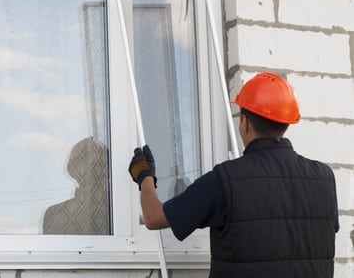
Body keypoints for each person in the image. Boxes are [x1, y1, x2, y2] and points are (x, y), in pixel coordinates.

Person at [129, 72, 339, 278]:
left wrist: (145, 177)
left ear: (245, 123)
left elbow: (153, 217)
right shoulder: (325, 180)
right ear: (286, 123)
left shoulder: (225, 180)